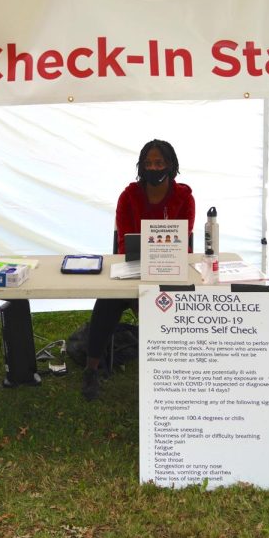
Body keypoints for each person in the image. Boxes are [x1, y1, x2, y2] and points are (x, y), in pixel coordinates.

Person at [82, 139, 195, 400]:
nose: (153, 168)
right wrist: (137, 293)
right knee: (106, 304)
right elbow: (124, 244)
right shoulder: (129, 196)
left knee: (183, 303)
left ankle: (183, 369)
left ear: (171, 165)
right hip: (132, 270)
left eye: (159, 163)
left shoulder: (184, 198)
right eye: (148, 163)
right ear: (141, 167)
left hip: (170, 271)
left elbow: (183, 240)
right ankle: (91, 369)